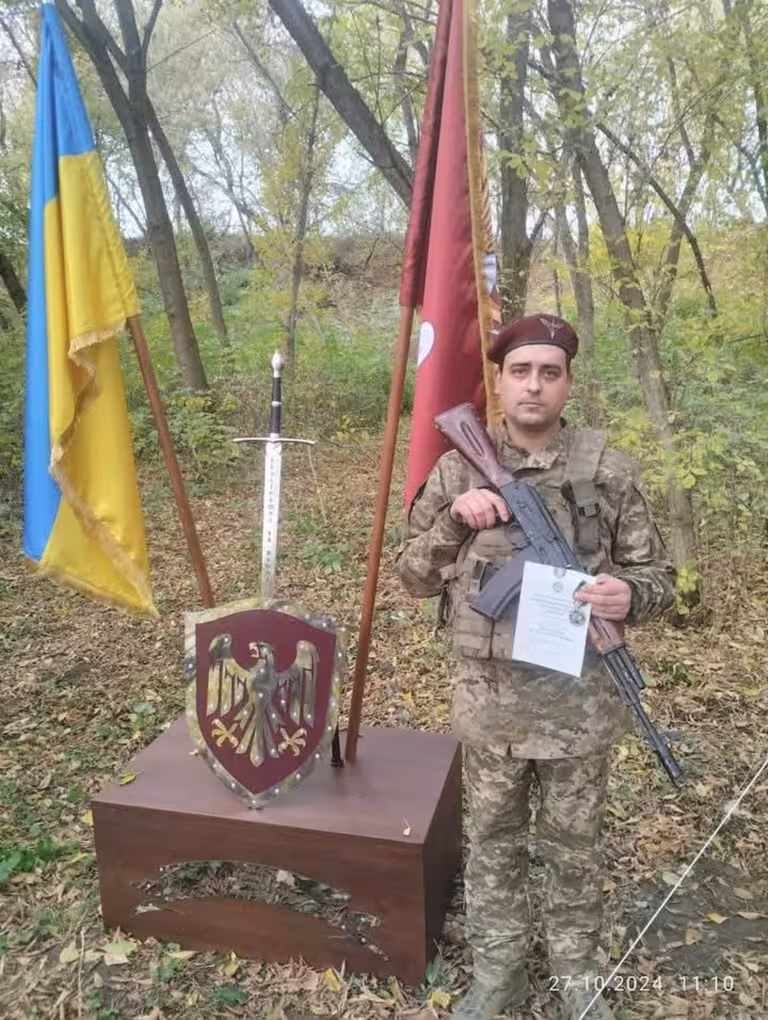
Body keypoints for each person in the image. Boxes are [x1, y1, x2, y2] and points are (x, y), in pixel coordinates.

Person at [395, 314, 676, 1020]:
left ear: (568, 384)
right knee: (492, 844)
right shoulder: (459, 468)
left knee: (575, 848)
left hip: (579, 708)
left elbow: (658, 577)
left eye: (550, 373)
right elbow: (411, 576)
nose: (534, 386)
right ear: (500, 381)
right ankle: (499, 975)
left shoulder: (607, 470)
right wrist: (456, 518)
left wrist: (630, 594)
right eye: (520, 371)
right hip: (489, 707)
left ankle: (578, 975)